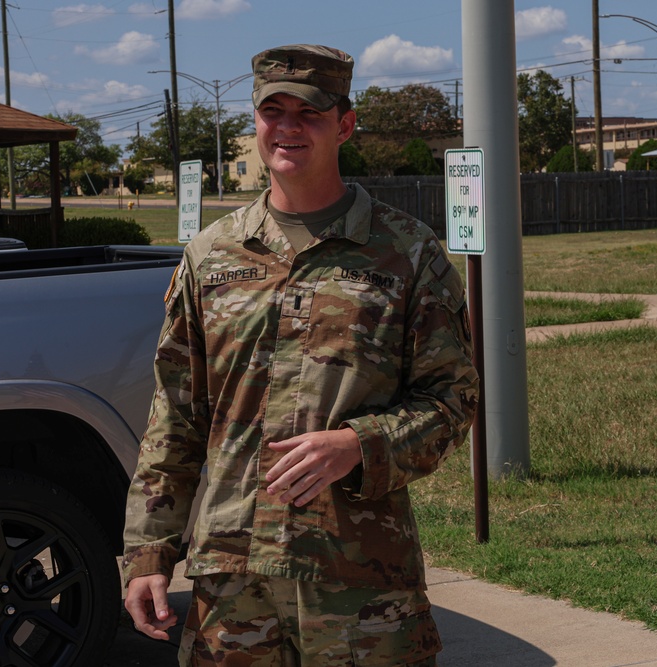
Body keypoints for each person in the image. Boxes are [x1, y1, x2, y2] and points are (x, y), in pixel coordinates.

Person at [122, 43, 479, 667]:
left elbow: (453, 401)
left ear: (344, 124)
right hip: (231, 583)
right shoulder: (211, 256)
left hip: (360, 585)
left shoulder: (406, 253)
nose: (288, 127)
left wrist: (359, 446)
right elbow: (175, 416)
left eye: (308, 113)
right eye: (272, 111)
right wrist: (150, 552)